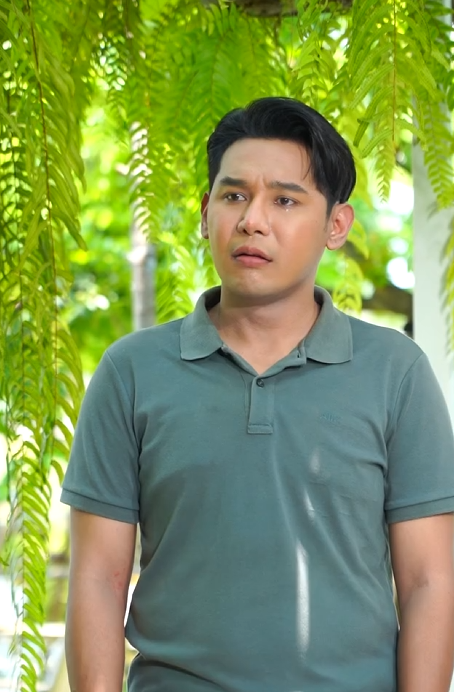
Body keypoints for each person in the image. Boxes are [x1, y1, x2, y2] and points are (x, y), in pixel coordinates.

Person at [61, 97, 454, 692]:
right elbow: (97, 578)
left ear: (337, 226)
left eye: (285, 200)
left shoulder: (396, 373)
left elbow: (429, 581)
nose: (252, 220)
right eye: (234, 195)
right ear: (205, 213)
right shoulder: (131, 372)